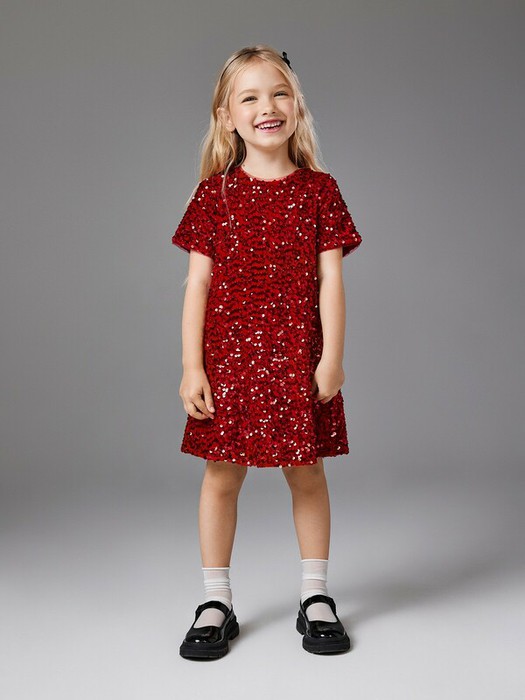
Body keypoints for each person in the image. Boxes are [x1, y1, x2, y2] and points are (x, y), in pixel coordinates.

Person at [172, 44, 363, 659]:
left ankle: (316, 595)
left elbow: (331, 280)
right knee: (220, 478)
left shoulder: (320, 192)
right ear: (227, 116)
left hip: (297, 362)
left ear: (297, 106)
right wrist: (192, 367)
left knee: (307, 474)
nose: (267, 107)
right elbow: (197, 284)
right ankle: (215, 600)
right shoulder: (213, 196)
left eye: (279, 93)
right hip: (229, 365)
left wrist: (331, 358)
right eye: (249, 97)